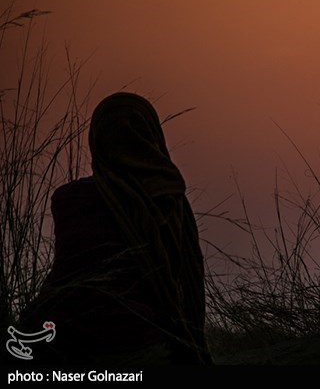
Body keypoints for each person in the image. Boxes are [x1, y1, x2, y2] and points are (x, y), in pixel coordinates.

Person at [20, 92, 212, 365]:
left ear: (97, 140)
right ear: (152, 135)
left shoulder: (68, 197)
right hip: (140, 341)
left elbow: (65, 277)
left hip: (61, 341)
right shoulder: (167, 195)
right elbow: (187, 280)